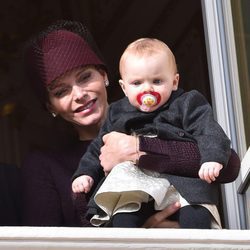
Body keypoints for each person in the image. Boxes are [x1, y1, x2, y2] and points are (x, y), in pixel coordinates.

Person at [21, 20, 240, 227]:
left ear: (104, 75)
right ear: (50, 106)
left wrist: (137, 150)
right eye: (61, 91)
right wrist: (139, 235)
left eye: (85, 77)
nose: (79, 94)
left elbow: (229, 166)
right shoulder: (44, 166)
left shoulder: (169, 112)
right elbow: (43, 242)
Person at [72, 38, 234, 229]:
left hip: (181, 184)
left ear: (174, 82)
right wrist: (85, 173)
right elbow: (99, 147)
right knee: (124, 218)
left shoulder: (187, 103)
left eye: (157, 81)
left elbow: (209, 131)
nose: (147, 89)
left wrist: (212, 158)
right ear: (124, 88)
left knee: (197, 218)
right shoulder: (117, 112)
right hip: (135, 181)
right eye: (137, 83)